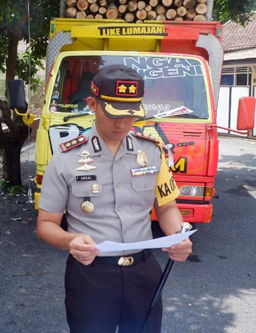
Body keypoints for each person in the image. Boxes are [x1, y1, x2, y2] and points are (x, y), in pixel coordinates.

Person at [36, 64, 193, 333]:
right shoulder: (65, 158)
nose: (123, 124)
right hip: (90, 276)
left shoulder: (153, 152)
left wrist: (179, 236)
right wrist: (71, 240)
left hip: (143, 274)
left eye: (131, 115)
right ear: (92, 104)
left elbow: (167, 208)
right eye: (114, 115)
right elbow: (46, 224)